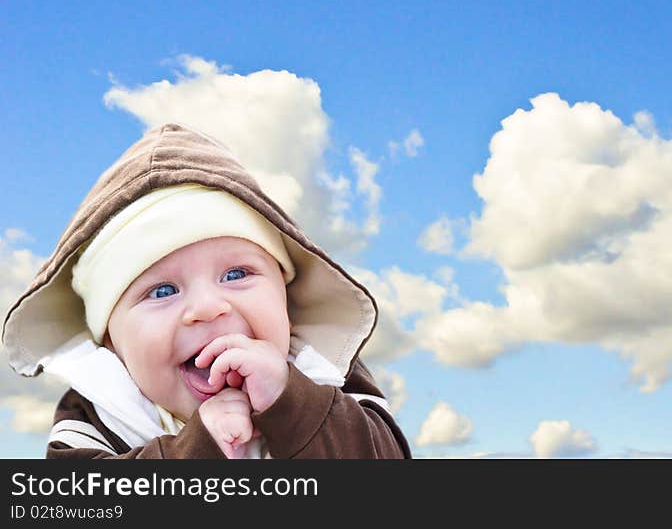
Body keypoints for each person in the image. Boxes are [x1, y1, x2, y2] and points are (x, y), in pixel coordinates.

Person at [2, 123, 411, 459]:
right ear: (112, 342)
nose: (208, 308)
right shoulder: (96, 415)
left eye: (236, 274)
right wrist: (198, 452)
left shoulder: (326, 374)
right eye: (162, 290)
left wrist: (293, 402)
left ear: (285, 298)